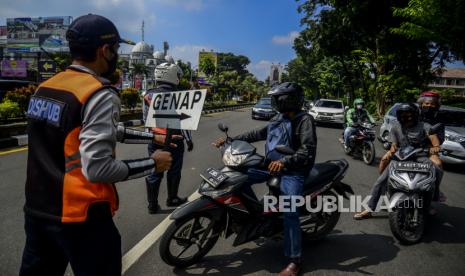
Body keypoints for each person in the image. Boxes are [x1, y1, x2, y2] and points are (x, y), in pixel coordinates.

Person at [20, 14, 174, 276]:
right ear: (105, 50)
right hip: (82, 217)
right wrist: (153, 163)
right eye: (116, 49)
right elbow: (98, 169)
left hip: (38, 212)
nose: (116, 55)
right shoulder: (98, 93)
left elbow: (88, 131)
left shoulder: (45, 87)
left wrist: (151, 137)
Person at [214, 82, 317, 276]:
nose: (275, 101)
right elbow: (258, 133)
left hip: (292, 171)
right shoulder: (278, 117)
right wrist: (232, 140)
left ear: (289, 100)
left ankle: (295, 260)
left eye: (278, 98)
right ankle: (255, 217)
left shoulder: (305, 120)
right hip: (269, 165)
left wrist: (286, 161)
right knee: (237, 177)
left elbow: (307, 150)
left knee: (290, 212)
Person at [354, 103, 442, 219]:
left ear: (415, 115)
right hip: (401, 156)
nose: (406, 117)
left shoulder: (424, 126)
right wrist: (391, 152)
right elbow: (394, 145)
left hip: (420, 156)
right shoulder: (396, 127)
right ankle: (369, 208)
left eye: (409, 115)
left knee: (436, 169)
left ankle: (433, 197)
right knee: (380, 181)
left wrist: (435, 148)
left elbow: (435, 142)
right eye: (403, 115)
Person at [143, 62, 193, 213]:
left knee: (154, 170)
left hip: (155, 140)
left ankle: (152, 205)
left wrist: (151, 138)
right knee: (174, 171)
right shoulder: (181, 96)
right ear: (172, 76)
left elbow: (145, 119)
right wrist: (189, 140)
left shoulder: (148, 95)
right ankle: (172, 198)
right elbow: (185, 122)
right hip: (175, 140)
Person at [418, 91, 446, 208]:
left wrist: (434, 147)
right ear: (421, 104)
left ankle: (435, 193)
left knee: (438, 165)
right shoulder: (414, 116)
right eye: (426, 103)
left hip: (428, 150)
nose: (429, 106)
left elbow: (440, 139)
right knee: (388, 162)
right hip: (408, 148)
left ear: (437, 106)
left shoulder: (439, 121)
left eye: (432, 104)